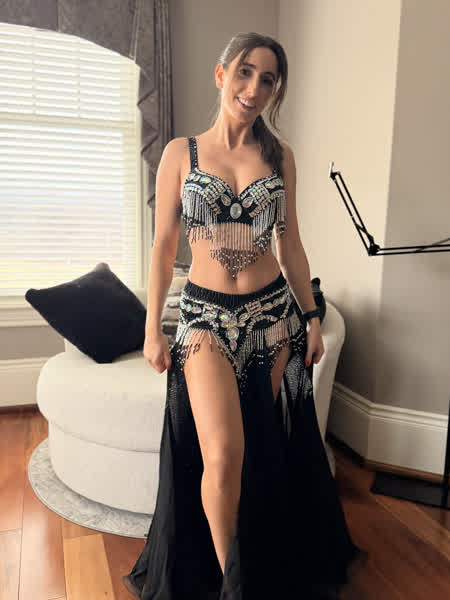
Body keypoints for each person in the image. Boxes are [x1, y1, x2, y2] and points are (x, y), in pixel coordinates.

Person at [123, 31, 368, 600]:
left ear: (276, 90)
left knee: (261, 446)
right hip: (204, 319)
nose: (254, 88)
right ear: (221, 75)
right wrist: (151, 328)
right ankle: (236, 586)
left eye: (268, 79)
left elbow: (291, 244)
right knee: (223, 452)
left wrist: (311, 316)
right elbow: (163, 248)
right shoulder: (181, 153)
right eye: (245, 72)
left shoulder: (280, 158)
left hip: (272, 319)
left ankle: (260, 554)